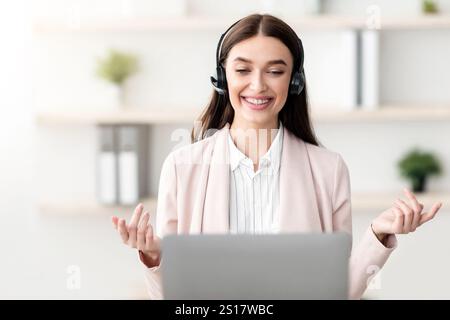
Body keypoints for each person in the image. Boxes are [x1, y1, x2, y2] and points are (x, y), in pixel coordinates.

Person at [111, 14, 443, 300]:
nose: (257, 86)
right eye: (243, 70)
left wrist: (378, 234)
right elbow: (175, 297)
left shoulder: (328, 170)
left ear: (294, 80)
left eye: (275, 71)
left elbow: (336, 291)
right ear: (223, 76)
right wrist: (155, 257)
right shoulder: (183, 169)